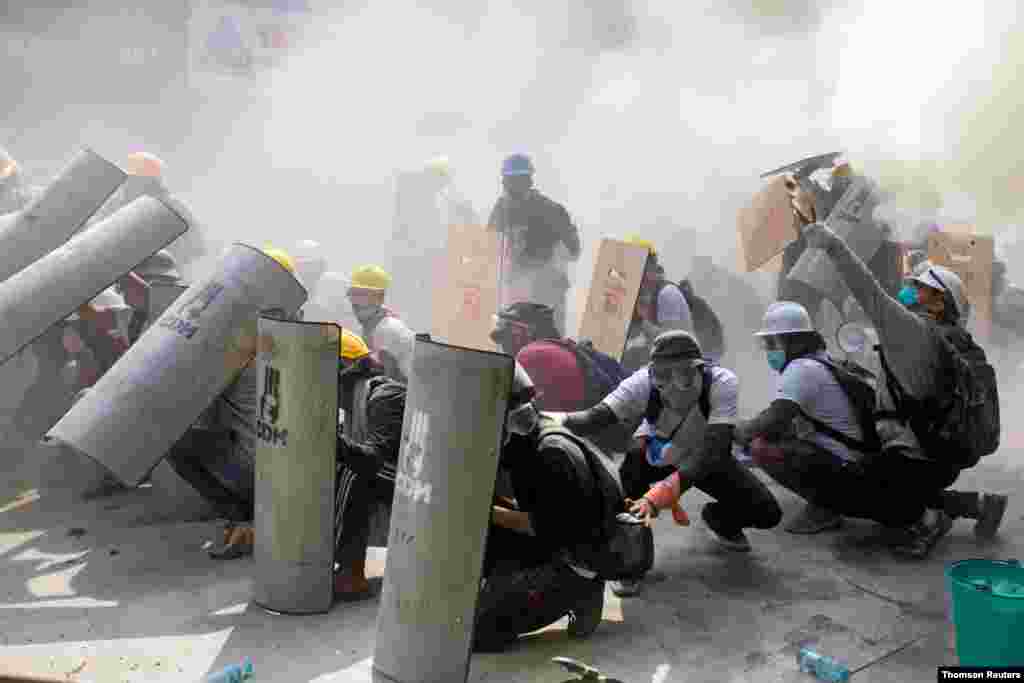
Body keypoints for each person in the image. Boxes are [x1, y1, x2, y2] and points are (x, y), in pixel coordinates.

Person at [790, 218, 1009, 558]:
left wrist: (833, 245)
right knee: (882, 477)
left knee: (842, 488)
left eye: (918, 287)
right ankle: (974, 504)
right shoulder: (953, 340)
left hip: (913, 458)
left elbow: (868, 292)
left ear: (938, 302)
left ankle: (928, 518)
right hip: (944, 454)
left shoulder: (914, 332)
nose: (907, 289)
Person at [549, 331, 783, 595]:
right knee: (624, 501)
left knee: (766, 512)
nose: (672, 384)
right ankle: (628, 564)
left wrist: (661, 494)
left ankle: (720, 520)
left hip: (703, 455)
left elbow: (714, 450)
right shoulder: (641, 382)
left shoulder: (721, 382)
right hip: (654, 454)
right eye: (662, 375)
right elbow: (596, 417)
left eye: (682, 374)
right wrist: (553, 420)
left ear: (699, 368)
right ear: (652, 372)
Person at [474, 364, 608, 652]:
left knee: (475, 633)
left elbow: (545, 526)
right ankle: (504, 589)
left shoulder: (552, 452)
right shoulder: (524, 435)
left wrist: (481, 509)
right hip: (552, 539)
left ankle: (584, 594)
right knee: (484, 520)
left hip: (574, 562)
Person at [732, 301, 877, 534]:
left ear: (793, 341)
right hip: (859, 460)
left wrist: (737, 430)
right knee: (775, 435)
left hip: (850, 470)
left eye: (772, 343)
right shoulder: (822, 360)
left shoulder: (801, 369)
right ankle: (829, 499)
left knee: (760, 447)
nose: (769, 350)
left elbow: (774, 420)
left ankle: (826, 507)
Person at [489, 301, 631, 454]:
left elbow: (522, 425)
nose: (503, 347)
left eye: (504, 338)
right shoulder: (566, 348)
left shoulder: (532, 355)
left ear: (522, 333)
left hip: (586, 451)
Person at [333, 339, 405, 600]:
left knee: (353, 472)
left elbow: (373, 460)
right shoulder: (360, 400)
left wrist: (329, 439)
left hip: (427, 484)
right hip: (401, 477)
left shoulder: (383, 397)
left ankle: (351, 574)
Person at [487, 154, 581, 333]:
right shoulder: (501, 210)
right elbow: (488, 247)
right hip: (515, 291)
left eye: (517, 181)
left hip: (546, 292)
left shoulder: (550, 210)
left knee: (547, 340)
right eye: (510, 181)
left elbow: (574, 250)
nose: (512, 187)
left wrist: (551, 262)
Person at [91, 152, 208, 274]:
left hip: (159, 275)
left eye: (134, 180)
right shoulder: (117, 204)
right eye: (128, 180)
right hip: (117, 272)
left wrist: (166, 258)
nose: (126, 186)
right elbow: (94, 233)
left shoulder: (172, 207)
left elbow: (196, 245)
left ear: (149, 182)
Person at [621, 236, 694, 373]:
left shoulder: (667, 294)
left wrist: (642, 322)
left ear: (649, 266)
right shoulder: (644, 295)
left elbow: (672, 340)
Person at [346, 264, 415, 383]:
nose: (357, 302)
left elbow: (394, 382)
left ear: (380, 298)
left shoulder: (389, 330)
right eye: (354, 294)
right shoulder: (367, 327)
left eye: (364, 296)